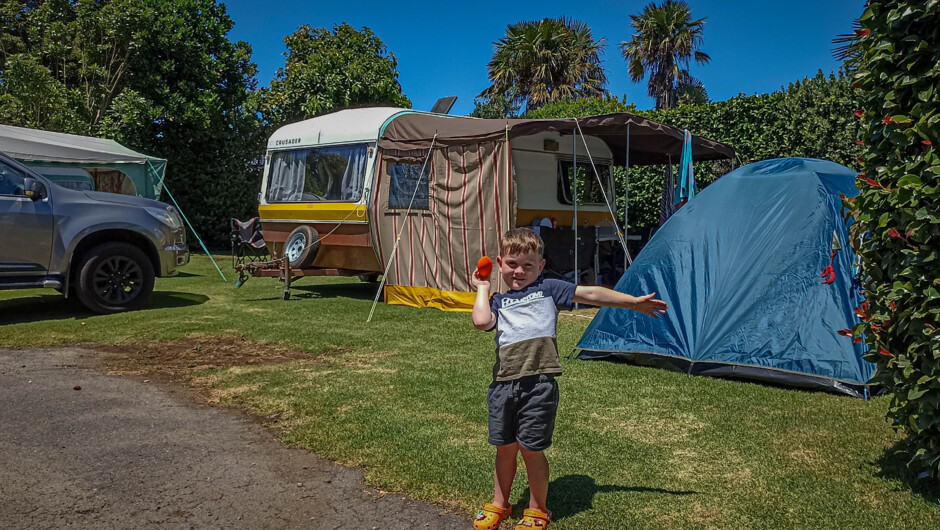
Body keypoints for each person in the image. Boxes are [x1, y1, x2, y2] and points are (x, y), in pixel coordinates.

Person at [470, 227, 667, 530]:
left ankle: (537, 509)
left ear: (541, 266)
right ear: (499, 263)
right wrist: (482, 288)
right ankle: (500, 504)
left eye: (528, 265)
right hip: (502, 386)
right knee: (504, 449)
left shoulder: (548, 289)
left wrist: (632, 302)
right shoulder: (497, 301)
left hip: (538, 386)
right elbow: (481, 321)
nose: (519, 271)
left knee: (532, 450)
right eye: (511, 264)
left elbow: (590, 292)